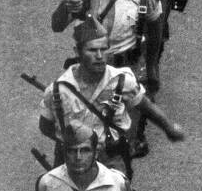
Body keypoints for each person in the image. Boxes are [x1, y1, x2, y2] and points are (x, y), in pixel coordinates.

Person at [39, 19, 185, 173]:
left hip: (111, 159)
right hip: (72, 162)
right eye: (93, 50)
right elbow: (45, 126)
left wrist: (169, 128)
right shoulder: (57, 90)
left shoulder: (121, 81)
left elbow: (145, 106)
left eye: (104, 49)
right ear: (77, 52)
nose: (100, 56)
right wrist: (73, 144)